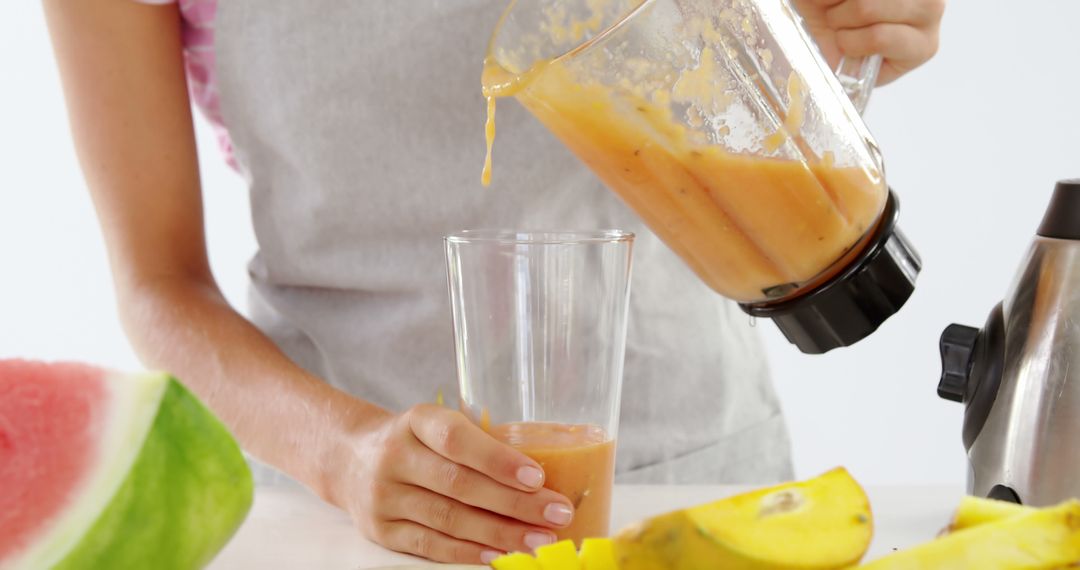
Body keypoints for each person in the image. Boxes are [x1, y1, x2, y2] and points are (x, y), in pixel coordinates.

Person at [42, 0, 944, 564]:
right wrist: (344, 454)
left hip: (685, 474)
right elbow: (157, 285)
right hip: (345, 514)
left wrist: (860, 22)